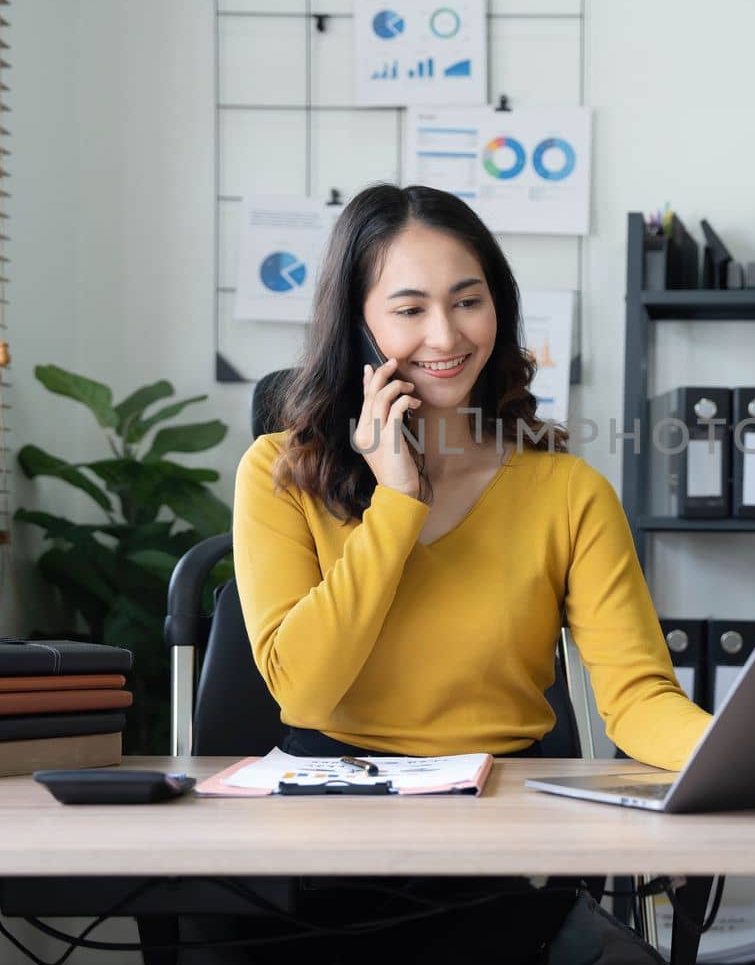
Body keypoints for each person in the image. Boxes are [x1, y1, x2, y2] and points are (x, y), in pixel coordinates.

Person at [227, 183, 711, 962]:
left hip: (502, 839)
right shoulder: (278, 473)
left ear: (500, 309)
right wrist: (397, 502)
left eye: (468, 301)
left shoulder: (566, 490)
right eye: (409, 309)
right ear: (359, 323)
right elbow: (303, 689)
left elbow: (637, 699)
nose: (446, 334)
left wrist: (735, 754)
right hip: (326, 841)